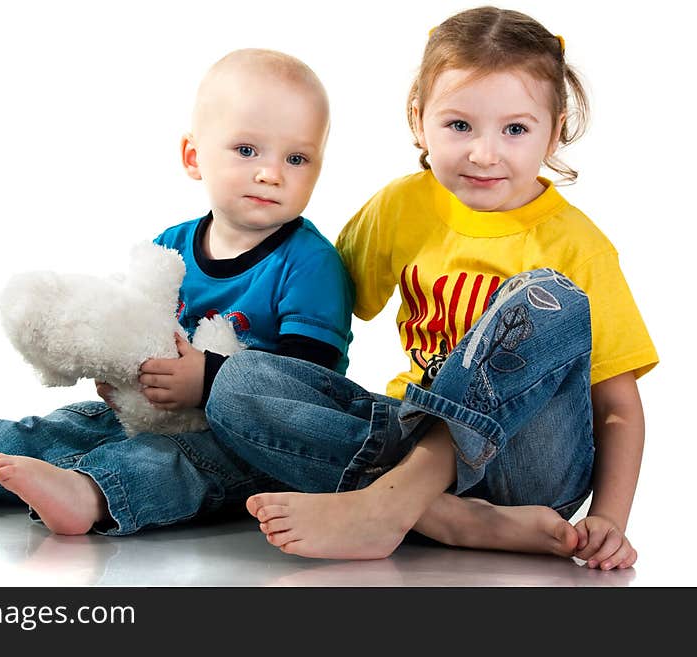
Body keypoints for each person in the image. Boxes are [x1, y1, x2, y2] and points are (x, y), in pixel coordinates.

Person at [205, 7, 657, 570]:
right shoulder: (402, 206)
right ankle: (442, 515)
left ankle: (395, 501)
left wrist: (610, 520)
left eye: (515, 129)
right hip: (405, 438)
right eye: (459, 125)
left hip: (530, 469)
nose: (484, 153)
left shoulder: (577, 246)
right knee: (235, 382)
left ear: (556, 128)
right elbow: (314, 296)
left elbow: (616, 407)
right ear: (419, 121)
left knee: (549, 297)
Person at [0, 48, 354, 536]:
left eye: (297, 157)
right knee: (71, 424)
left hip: (252, 441)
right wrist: (120, 376)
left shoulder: (310, 264)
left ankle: (91, 494)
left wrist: (207, 382)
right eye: (247, 150)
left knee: (179, 463)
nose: (271, 172)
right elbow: (133, 322)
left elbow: (308, 389)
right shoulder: (173, 247)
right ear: (193, 156)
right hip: (158, 414)